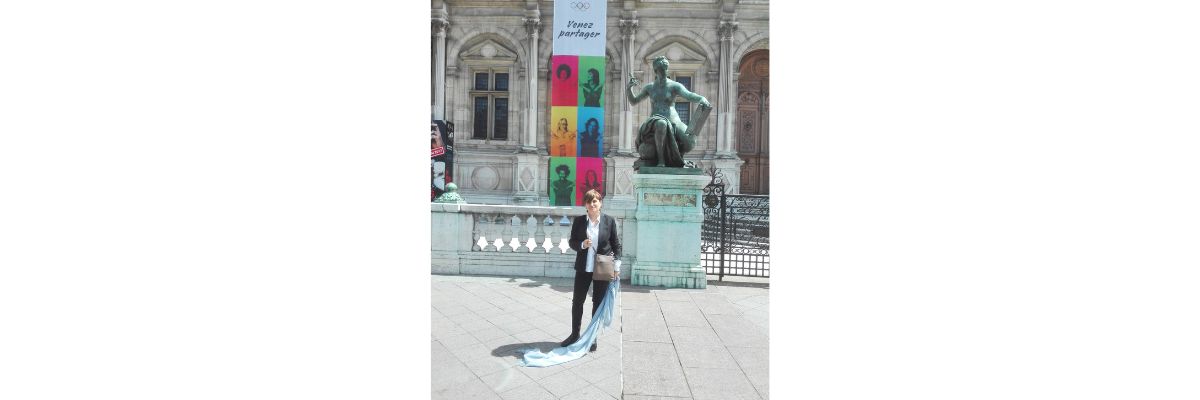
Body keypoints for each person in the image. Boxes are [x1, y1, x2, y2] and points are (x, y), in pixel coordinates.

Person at [562, 189, 621, 352]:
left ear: (600, 203)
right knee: (577, 301)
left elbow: (616, 245)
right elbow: (572, 242)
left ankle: (592, 336)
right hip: (583, 267)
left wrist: (617, 266)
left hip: (602, 267)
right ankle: (574, 334)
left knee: (597, 302)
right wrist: (582, 244)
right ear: (585, 205)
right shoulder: (579, 221)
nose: (592, 204)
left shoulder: (609, 221)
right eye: (589, 201)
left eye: (595, 201)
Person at [626, 56, 711, 168]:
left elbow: (689, 95)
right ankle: (661, 161)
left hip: (673, 119)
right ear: (656, 70)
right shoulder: (649, 87)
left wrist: (701, 98)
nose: (665, 71)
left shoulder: (674, 85)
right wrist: (629, 89)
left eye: (666, 68)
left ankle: (677, 158)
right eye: (662, 68)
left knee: (690, 142)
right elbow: (634, 101)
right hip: (656, 118)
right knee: (661, 124)